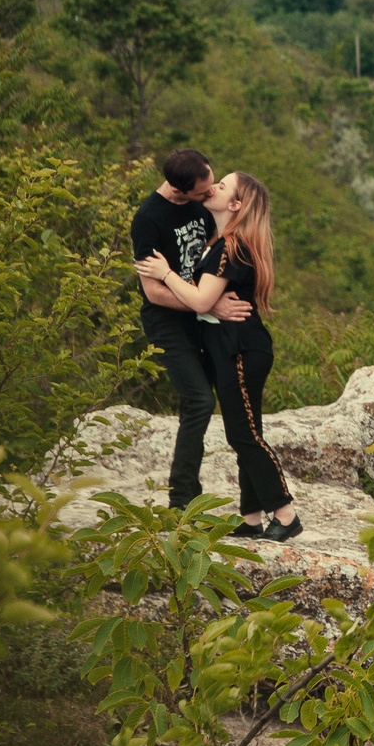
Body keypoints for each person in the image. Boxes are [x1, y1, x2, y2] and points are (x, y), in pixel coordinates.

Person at [135, 171, 299, 542]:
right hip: (233, 347)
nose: (213, 189)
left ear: (235, 205)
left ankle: (286, 514)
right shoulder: (221, 241)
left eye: (222, 187)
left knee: (244, 436)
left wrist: (165, 273)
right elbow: (207, 301)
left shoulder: (231, 246)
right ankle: (253, 518)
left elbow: (201, 301)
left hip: (239, 348)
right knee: (246, 432)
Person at [129, 147, 251, 510]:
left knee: (234, 395)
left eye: (213, 184)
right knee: (198, 400)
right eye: (203, 192)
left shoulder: (202, 199)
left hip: (206, 318)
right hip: (168, 322)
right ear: (180, 190)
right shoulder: (149, 220)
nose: (210, 193)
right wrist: (208, 302)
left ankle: (255, 499)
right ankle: (182, 500)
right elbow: (153, 292)